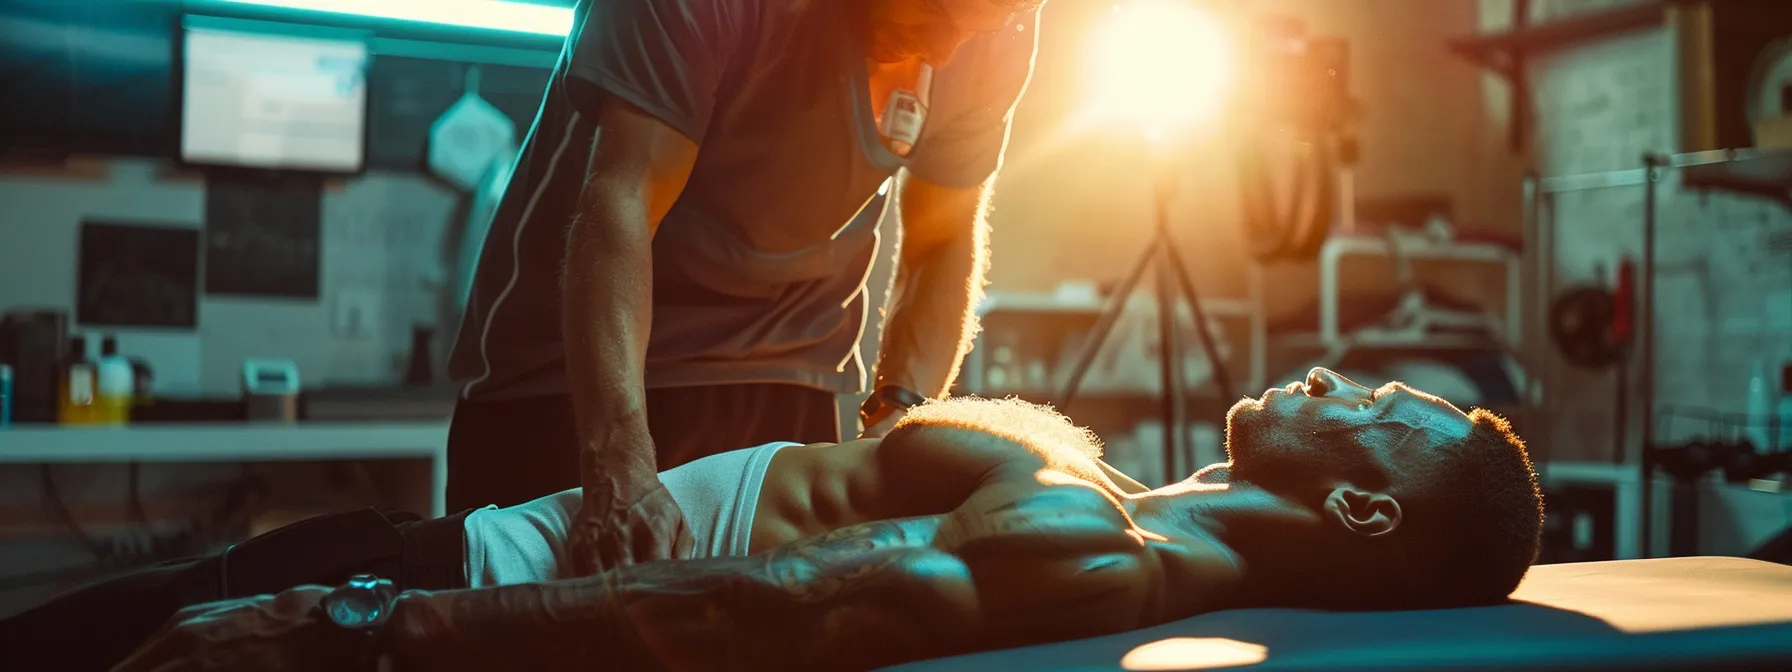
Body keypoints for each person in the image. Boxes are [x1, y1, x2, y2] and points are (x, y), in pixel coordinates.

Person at [3, 369, 1544, 671]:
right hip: (460, 545)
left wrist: (349, 634)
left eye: (1382, 414)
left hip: (452, 572)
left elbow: (770, 608)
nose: (1340, 374)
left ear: (1357, 503)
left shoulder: (1094, 549)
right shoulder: (1128, 508)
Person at [445, 0, 1043, 572]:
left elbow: (942, 238)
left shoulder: (998, 32)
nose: (946, 51)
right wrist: (615, 460)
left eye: (983, 23)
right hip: (577, 380)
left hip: (788, 374)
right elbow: (624, 199)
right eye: (935, 11)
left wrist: (899, 422)